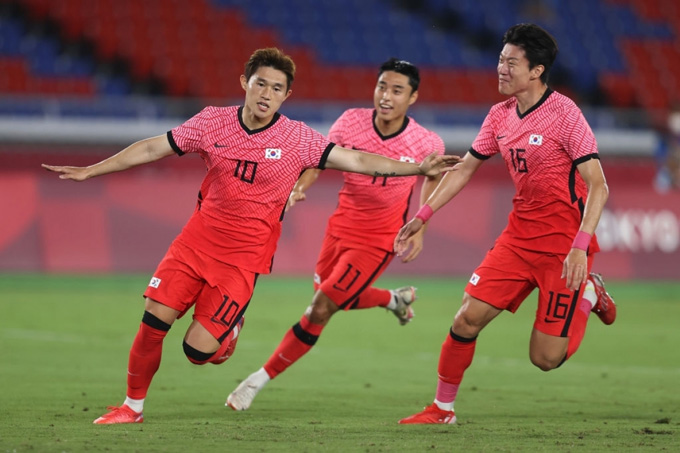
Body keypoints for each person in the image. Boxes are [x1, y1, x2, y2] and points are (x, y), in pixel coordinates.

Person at [41, 48, 460, 424]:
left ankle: (231, 328)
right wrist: (91, 169)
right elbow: (154, 147)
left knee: (198, 352)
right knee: (153, 324)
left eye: (277, 88)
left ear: (286, 96)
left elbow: (357, 160)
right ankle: (131, 408)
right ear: (245, 83)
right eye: (261, 83)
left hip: (244, 260)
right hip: (193, 245)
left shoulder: (297, 138)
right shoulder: (212, 122)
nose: (266, 94)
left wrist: (416, 170)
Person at [393, 24, 617, 425]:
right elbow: (464, 170)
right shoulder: (499, 116)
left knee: (545, 359)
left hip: (563, 250)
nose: (500, 68)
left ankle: (589, 294)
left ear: (536, 71)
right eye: (500, 59)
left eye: (511, 62)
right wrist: (423, 216)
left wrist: (581, 246)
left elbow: (598, 186)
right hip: (517, 240)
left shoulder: (565, 115)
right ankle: (442, 409)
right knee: (466, 318)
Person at [226, 58, 445, 411]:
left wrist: (421, 225)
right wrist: (299, 187)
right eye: (382, 87)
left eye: (397, 90)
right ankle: (394, 300)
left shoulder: (425, 141)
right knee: (330, 296)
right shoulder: (350, 122)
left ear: (413, 97)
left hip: (378, 240)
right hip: (340, 229)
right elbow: (318, 160)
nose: (386, 96)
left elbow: (434, 178)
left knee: (320, 307)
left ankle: (257, 380)